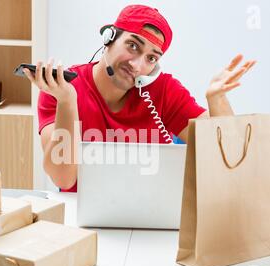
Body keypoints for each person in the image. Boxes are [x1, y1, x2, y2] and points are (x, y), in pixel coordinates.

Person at [23, 4, 256, 192]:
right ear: (109, 38)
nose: (137, 65)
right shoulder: (61, 89)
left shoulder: (163, 90)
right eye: (133, 45)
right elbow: (63, 179)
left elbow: (229, 156)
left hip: (154, 217)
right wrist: (67, 103)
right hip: (82, 220)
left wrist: (217, 100)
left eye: (151, 58)